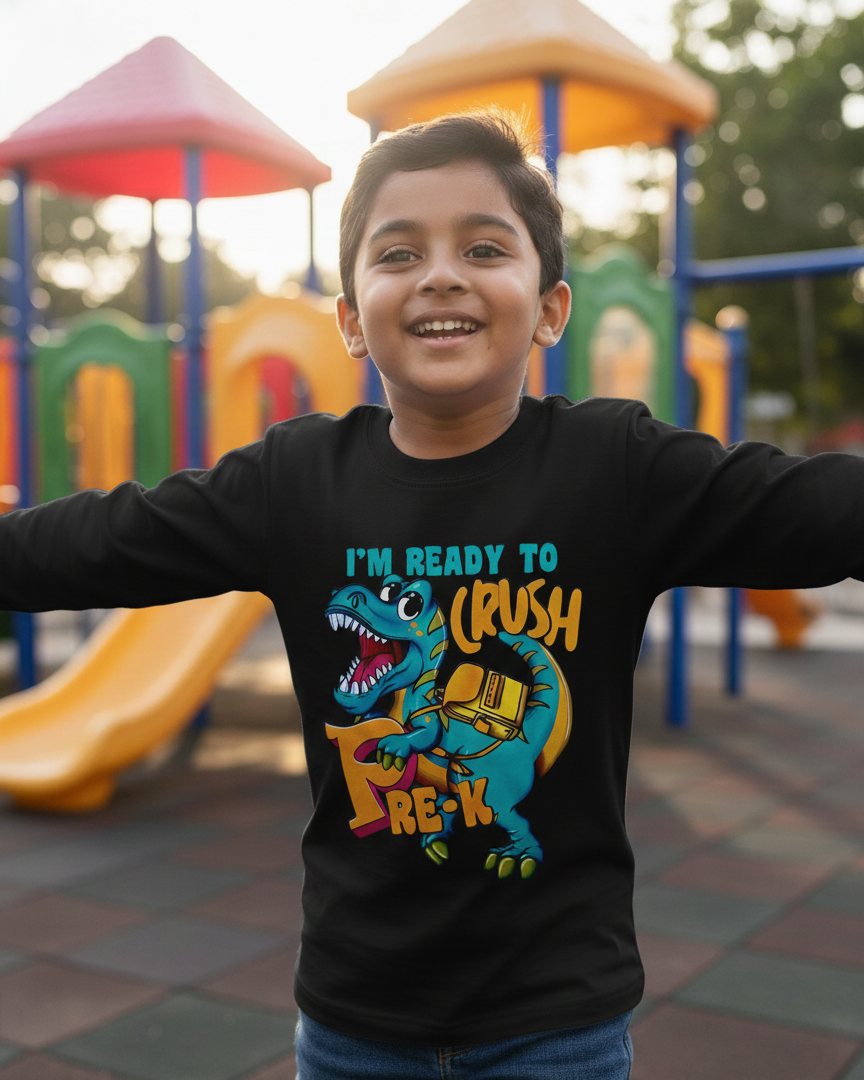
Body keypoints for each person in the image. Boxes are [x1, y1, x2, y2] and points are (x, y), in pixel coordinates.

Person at [2, 110, 864, 1080]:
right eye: (398, 252)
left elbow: (824, 510)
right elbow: (93, 542)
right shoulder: (296, 481)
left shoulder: (615, 468)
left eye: (485, 247)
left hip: (556, 1021)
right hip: (356, 1015)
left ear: (549, 308)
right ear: (350, 319)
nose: (441, 274)